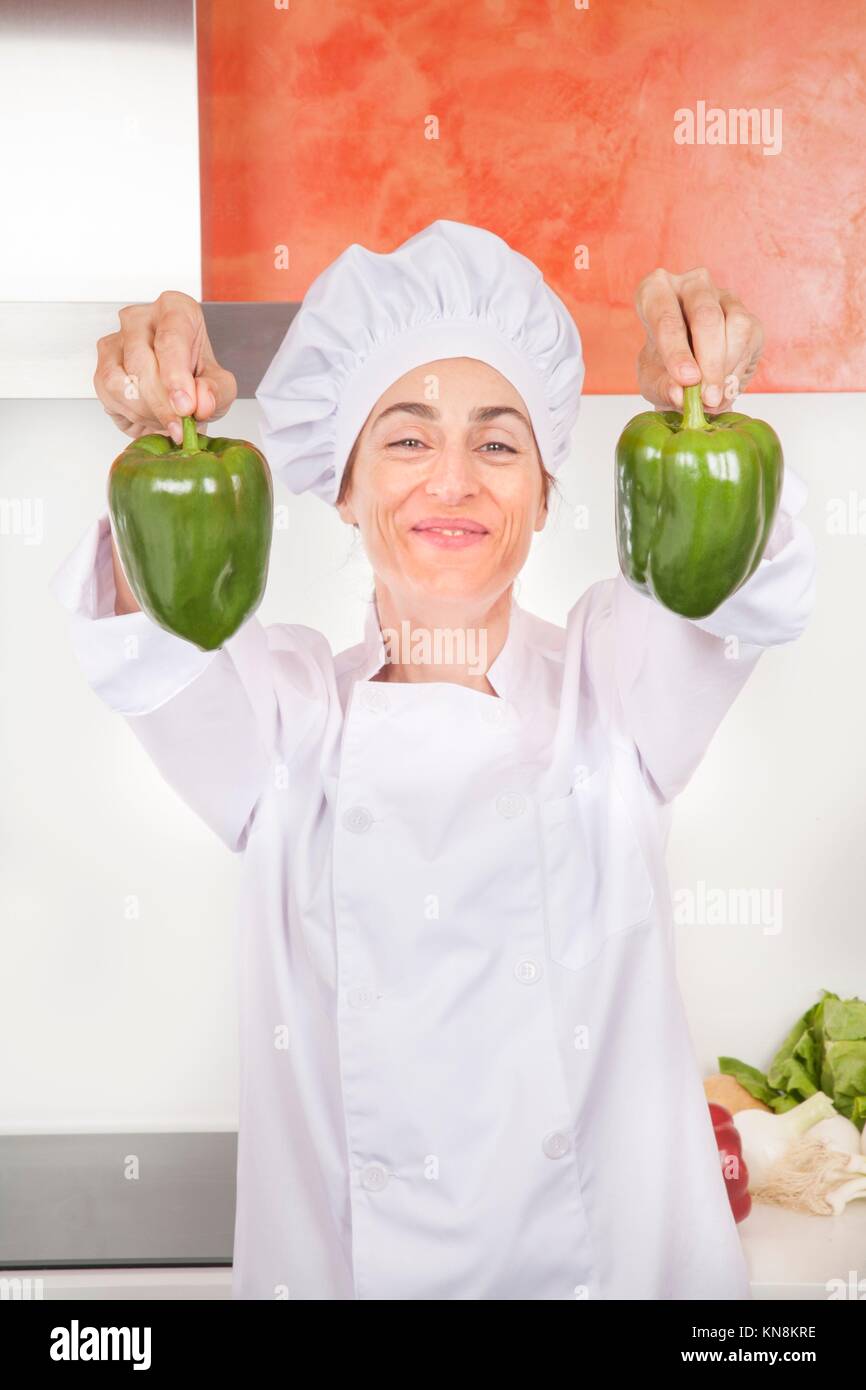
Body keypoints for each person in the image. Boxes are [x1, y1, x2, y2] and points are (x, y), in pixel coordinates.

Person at [51, 220, 816, 1300]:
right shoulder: (284, 715)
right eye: (405, 440)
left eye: (498, 444)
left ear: (546, 492)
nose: (451, 481)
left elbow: (738, 590)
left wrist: (693, 406)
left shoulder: (611, 680)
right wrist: (150, 437)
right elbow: (147, 646)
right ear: (343, 484)